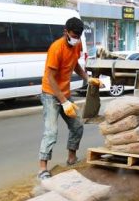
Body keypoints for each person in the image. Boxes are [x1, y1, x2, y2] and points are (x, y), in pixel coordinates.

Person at [37, 17, 103, 180]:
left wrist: (87, 79)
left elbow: (75, 64)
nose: (77, 38)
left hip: (64, 93)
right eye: (74, 35)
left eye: (79, 35)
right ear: (65, 32)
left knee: (77, 126)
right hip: (50, 94)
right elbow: (51, 78)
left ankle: (71, 158)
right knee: (51, 132)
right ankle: (42, 169)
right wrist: (64, 101)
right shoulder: (56, 48)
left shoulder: (77, 44)